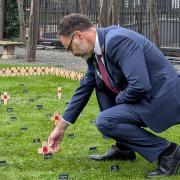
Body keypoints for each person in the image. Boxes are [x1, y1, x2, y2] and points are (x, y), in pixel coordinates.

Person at [47, 13, 180, 178]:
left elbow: (140, 84)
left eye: (69, 47)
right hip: (148, 96)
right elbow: (84, 89)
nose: (72, 54)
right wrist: (60, 128)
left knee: (106, 120)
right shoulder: (94, 52)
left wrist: (119, 101)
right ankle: (124, 149)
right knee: (100, 86)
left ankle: (168, 151)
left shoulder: (117, 40)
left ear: (79, 36)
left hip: (162, 98)